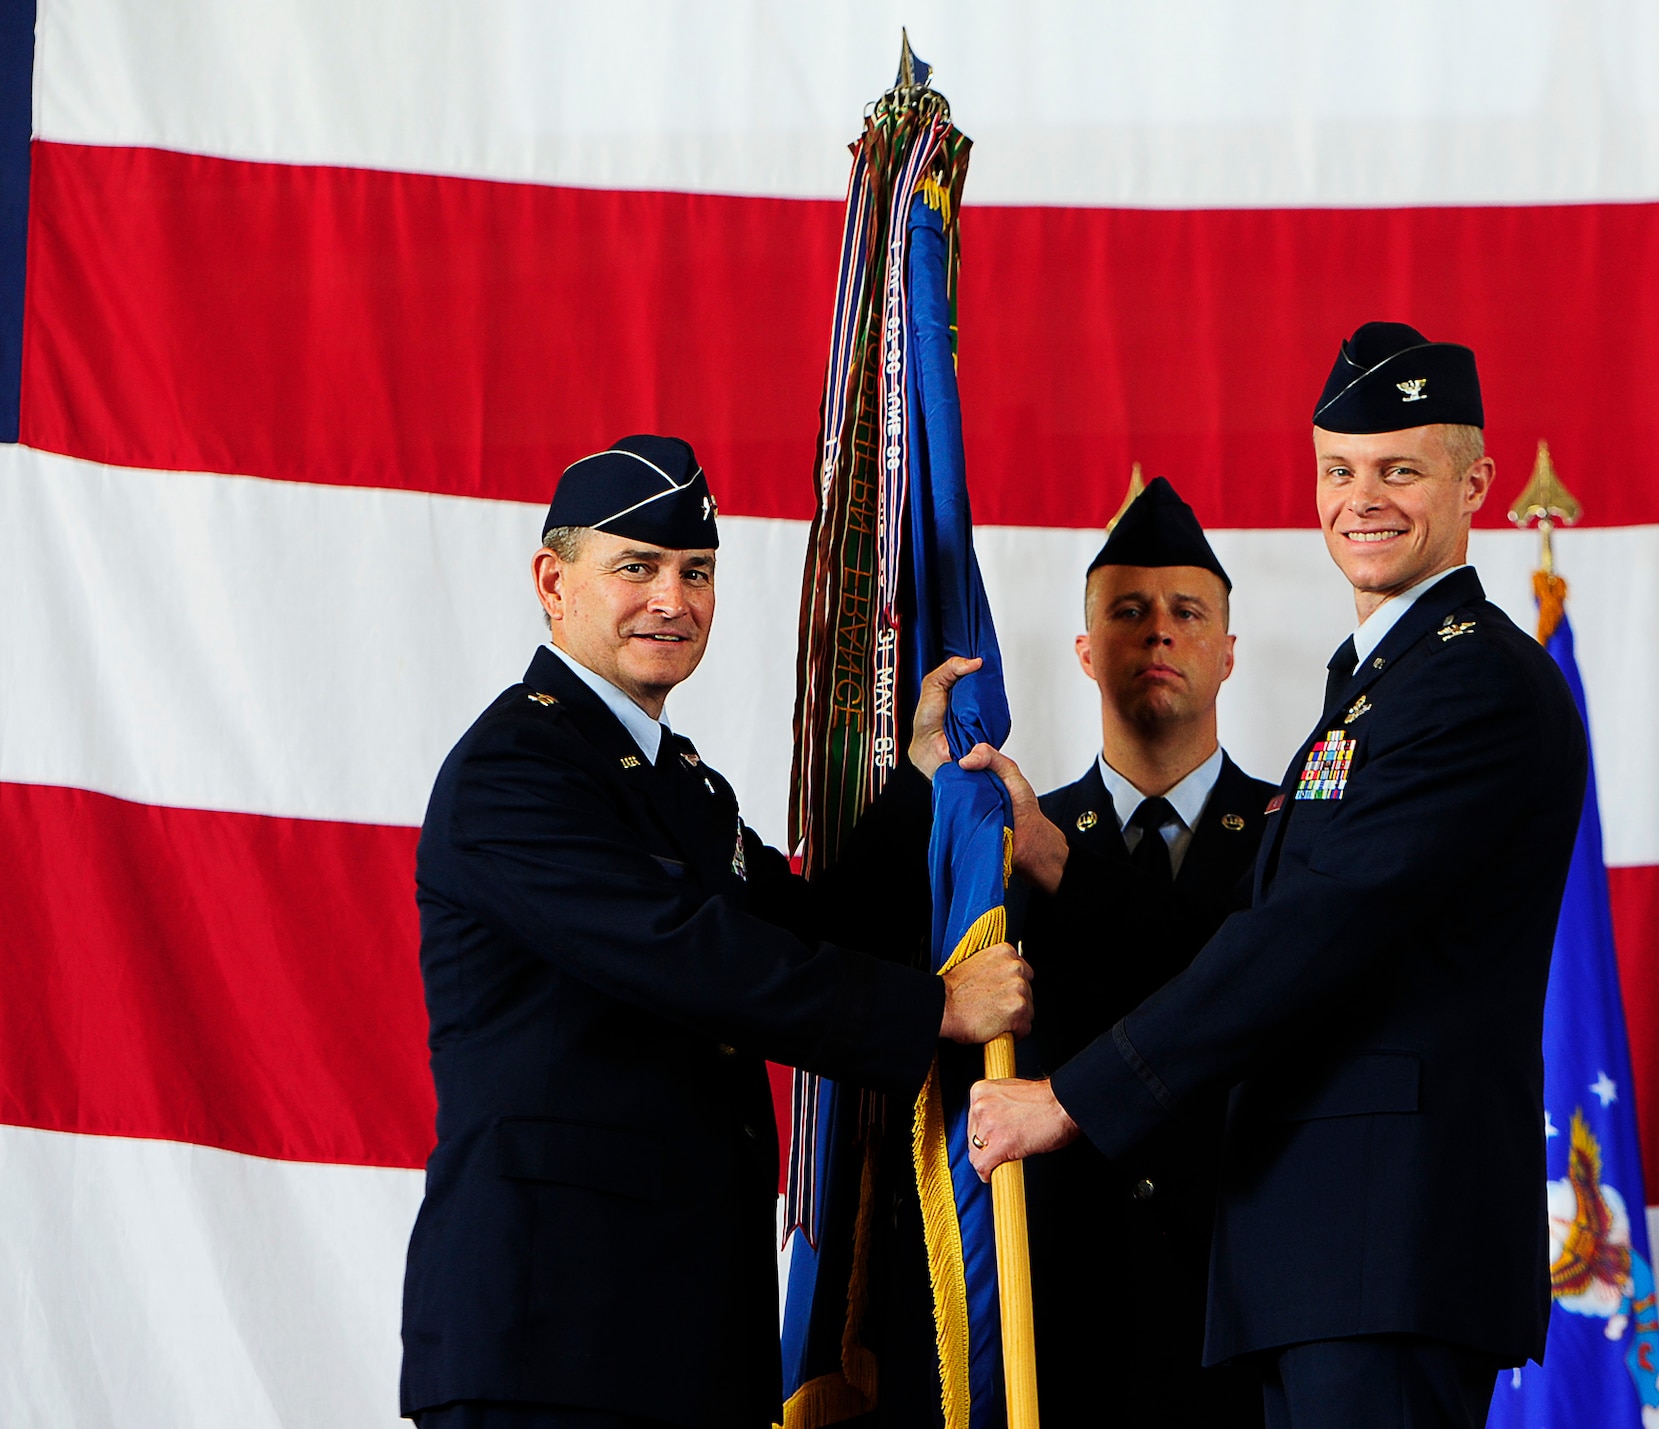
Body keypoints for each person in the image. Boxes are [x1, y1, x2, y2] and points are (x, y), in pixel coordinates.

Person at [961, 325, 1590, 1429]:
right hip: (1325, 1254)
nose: (1362, 498)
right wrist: (1059, 863)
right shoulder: (1382, 684)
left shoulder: (1467, 685)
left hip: (1379, 1250)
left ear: (1475, 483)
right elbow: (1252, 920)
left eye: (1399, 467)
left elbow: (1309, 932)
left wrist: (1069, 1099)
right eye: (1337, 469)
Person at [399, 435, 1033, 1429]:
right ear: (552, 582)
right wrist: (935, 1009)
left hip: (682, 1337)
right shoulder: (514, 769)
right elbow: (692, 958)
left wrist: (916, 783)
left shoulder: (678, 784)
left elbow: (807, 925)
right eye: (636, 567)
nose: (672, 599)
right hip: (550, 1342)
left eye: (695, 571)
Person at [1017, 477, 1270, 1428]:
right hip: (1063, 1309)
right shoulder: (1009, 852)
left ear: (1230, 651)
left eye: (1186, 611)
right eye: (1129, 611)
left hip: (1241, 1308)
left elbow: (1222, 998)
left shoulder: (1297, 841)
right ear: (1086, 652)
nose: (1159, 631)